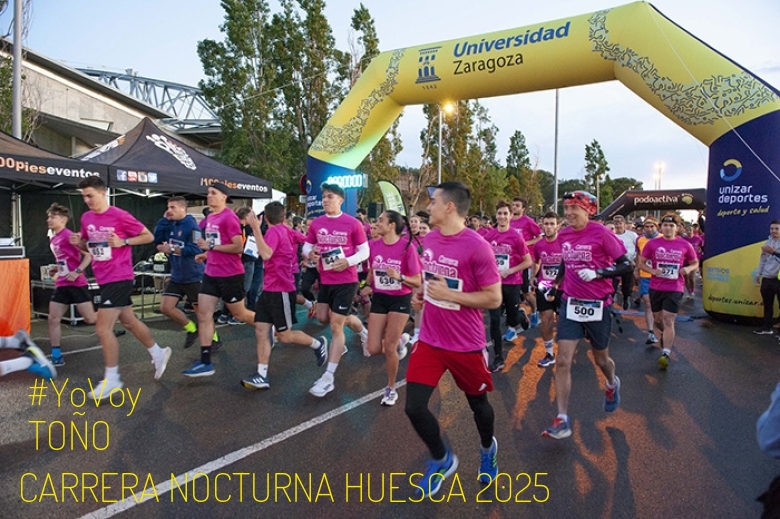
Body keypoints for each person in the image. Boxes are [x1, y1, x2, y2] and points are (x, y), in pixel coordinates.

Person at [406, 181, 502, 498]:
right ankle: (442, 458)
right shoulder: (430, 238)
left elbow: (494, 298)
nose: (427, 207)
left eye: (432, 202)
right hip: (432, 341)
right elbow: (430, 275)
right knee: (414, 408)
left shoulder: (478, 247)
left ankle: (487, 448)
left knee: (480, 407)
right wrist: (422, 291)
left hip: (466, 345)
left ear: (449, 207)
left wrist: (452, 295)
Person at [70, 175, 172, 399]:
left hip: (120, 276)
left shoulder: (119, 215)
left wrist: (123, 242)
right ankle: (158, 352)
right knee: (129, 321)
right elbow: (89, 246)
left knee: (102, 328)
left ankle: (112, 378)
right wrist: (79, 243)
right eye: (84, 196)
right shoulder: (86, 218)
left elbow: (148, 236)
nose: (87, 200)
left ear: (103, 193)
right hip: (103, 277)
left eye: (91, 195)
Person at [541, 191, 630, 440]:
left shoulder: (601, 233)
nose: (568, 213)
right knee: (562, 360)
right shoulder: (565, 234)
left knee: (601, 360)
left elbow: (626, 265)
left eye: (574, 209)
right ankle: (561, 419)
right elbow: (565, 263)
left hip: (598, 306)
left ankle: (612, 384)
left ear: (588, 211)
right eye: (566, 208)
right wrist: (555, 284)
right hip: (571, 304)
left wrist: (599, 273)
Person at [240, 202, 329, 389]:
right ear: (283, 217)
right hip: (269, 289)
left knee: (285, 336)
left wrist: (255, 228)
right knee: (261, 330)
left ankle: (318, 344)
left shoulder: (273, 232)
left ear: (265, 218)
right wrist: (311, 253)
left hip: (281, 289)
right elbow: (306, 239)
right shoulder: (288, 230)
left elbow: (265, 254)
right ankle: (261, 375)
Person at [303, 183, 370, 397]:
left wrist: (348, 261)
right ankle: (363, 332)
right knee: (324, 317)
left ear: (340, 200)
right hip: (326, 279)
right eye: (323, 196)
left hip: (347, 280)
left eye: (329, 196)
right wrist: (310, 253)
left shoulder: (353, 223)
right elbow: (307, 245)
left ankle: (328, 377)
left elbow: (365, 251)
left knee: (335, 326)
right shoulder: (317, 223)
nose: (325, 200)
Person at [185, 182, 255, 377]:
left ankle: (267, 327)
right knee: (204, 315)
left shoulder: (229, 218)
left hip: (231, 274)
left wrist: (211, 247)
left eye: (213, 193)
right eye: (208, 193)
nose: (209, 196)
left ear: (224, 197)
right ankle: (205, 361)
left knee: (240, 314)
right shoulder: (210, 218)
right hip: (211, 273)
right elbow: (214, 244)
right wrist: (205, 254)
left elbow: (237, 248)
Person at [360, 210, 422, 405]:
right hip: (380, 297)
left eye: (381, 220)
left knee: (389, 347)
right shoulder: (374, 245)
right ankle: (401, 342)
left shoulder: (407, 248)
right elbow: (372, 268)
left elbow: (417, 280)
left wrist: (400, 277)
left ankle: (390, 388)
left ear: (392, 225)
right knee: (372, 347)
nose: (376, 223)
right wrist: (367, 285)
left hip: (400, 299)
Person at [153, 196, 217, 350]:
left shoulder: (192, 226)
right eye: (168, 207)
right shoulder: (170, 223)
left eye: (173, 207)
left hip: (193, 276)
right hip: (177, 275)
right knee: (166, 308)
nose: (169, 211)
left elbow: (197, 249)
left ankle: (214, 339)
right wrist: (163, 220)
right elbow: (157, 238)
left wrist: (173, 249)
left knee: (202, 314)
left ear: (183, 209)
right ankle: (191, 329)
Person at [637, 213, 698, 369]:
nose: (668, 228)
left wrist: (688, 268)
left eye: (672, 226)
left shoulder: (685, 245)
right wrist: (652, 270)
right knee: (658, 320)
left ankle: (666, 353)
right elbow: (641, 263)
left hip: (675, 287)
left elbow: (695, 262)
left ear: (677, 228)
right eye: (665, 225)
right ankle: (665, 335)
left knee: (668, 319)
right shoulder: (652, 244)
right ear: (661, 227)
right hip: (656, 286)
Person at [46, 203, 97, 366]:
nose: (49, 220)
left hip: (77, 283)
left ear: (63, 219)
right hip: (62, 283)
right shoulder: (54, 237)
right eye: (48, 217)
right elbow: (63, 258)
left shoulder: (69, 236)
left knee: (90, 318)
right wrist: (56, 268)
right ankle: (56, 355)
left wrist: (77, 271)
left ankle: (110, 318)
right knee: (53, 318)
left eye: (52, 217)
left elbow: (88, 255)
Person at [484, 201, 532, 372]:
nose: (502, 217)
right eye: (500, 213)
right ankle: (498, 357)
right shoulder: (489, 237)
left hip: (512, 283)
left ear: (511, 216)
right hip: (494, 285)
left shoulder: (516, 237)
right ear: (496, 216)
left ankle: (520, 316)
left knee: (511, 320)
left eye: (506, 213)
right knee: (495, 321)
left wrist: (510, 270)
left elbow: (528, 261)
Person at [532, 211, 563, 368]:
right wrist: (532, 277)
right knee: (546, 318)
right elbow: (536, 261)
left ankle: (565, 353)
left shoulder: (564, 243)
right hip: (544, 287)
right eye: (546, 223)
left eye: (552, 224)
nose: (549, 227)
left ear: (558, 225)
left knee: (563, 321)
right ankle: (550, 353)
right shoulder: (539, 244)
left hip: (563, 288)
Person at [510, 197, 542, 328]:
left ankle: (534, 312)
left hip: (525, 261)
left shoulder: (528, 222)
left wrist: (525, 243)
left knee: (527, 293)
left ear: (523, 208)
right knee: (511, 293)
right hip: (512, 262)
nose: (514, 207)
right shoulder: (509, 222)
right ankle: (515, 319)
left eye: (517, 205)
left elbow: (540, 237)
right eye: (513, 205)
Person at [635, 216, 660, 343]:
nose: (649, 229)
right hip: (646, 275)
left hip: (661, 277)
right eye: (647, 227)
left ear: (657, 227)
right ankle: (650, 332)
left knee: (660, 308)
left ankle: (662, 329)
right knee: (648, 303)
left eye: (652, 226)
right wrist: (636, 269)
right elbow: (638, 255)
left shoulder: (662, 238)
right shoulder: (640, 239)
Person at [753, 220, 780, 335]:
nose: (774, 231)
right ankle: (766, 327)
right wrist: (759, 273)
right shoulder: (767, 243)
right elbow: (763, 259)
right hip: (767, 278)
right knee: (767, 304)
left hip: (778, 279)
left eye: (777, 228)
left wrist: (774, 252)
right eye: (772, 228)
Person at [612, 214, 638, 309]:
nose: (618, 225)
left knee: (626, 285)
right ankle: (612, 296)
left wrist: (635, 260)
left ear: (624, 224)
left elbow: (638, 248)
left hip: (628, 263)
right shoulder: (611, 235)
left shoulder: (632, 235)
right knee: (613, 283)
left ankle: (626, 298)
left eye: (620, 223)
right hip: (615, 264)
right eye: (616, 223)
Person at [681, 223, 703, 300]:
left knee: (691, 277)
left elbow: (701, 247)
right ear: (685, 231)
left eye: (690, 230)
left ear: (693, 230)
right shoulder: (683, 239)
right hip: (685, 261)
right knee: (686, 278)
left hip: (694, 261)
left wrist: (701, 253)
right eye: (687, 230)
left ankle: (692, 291)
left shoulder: (698, 239)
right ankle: (689, 292)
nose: (689, 231)